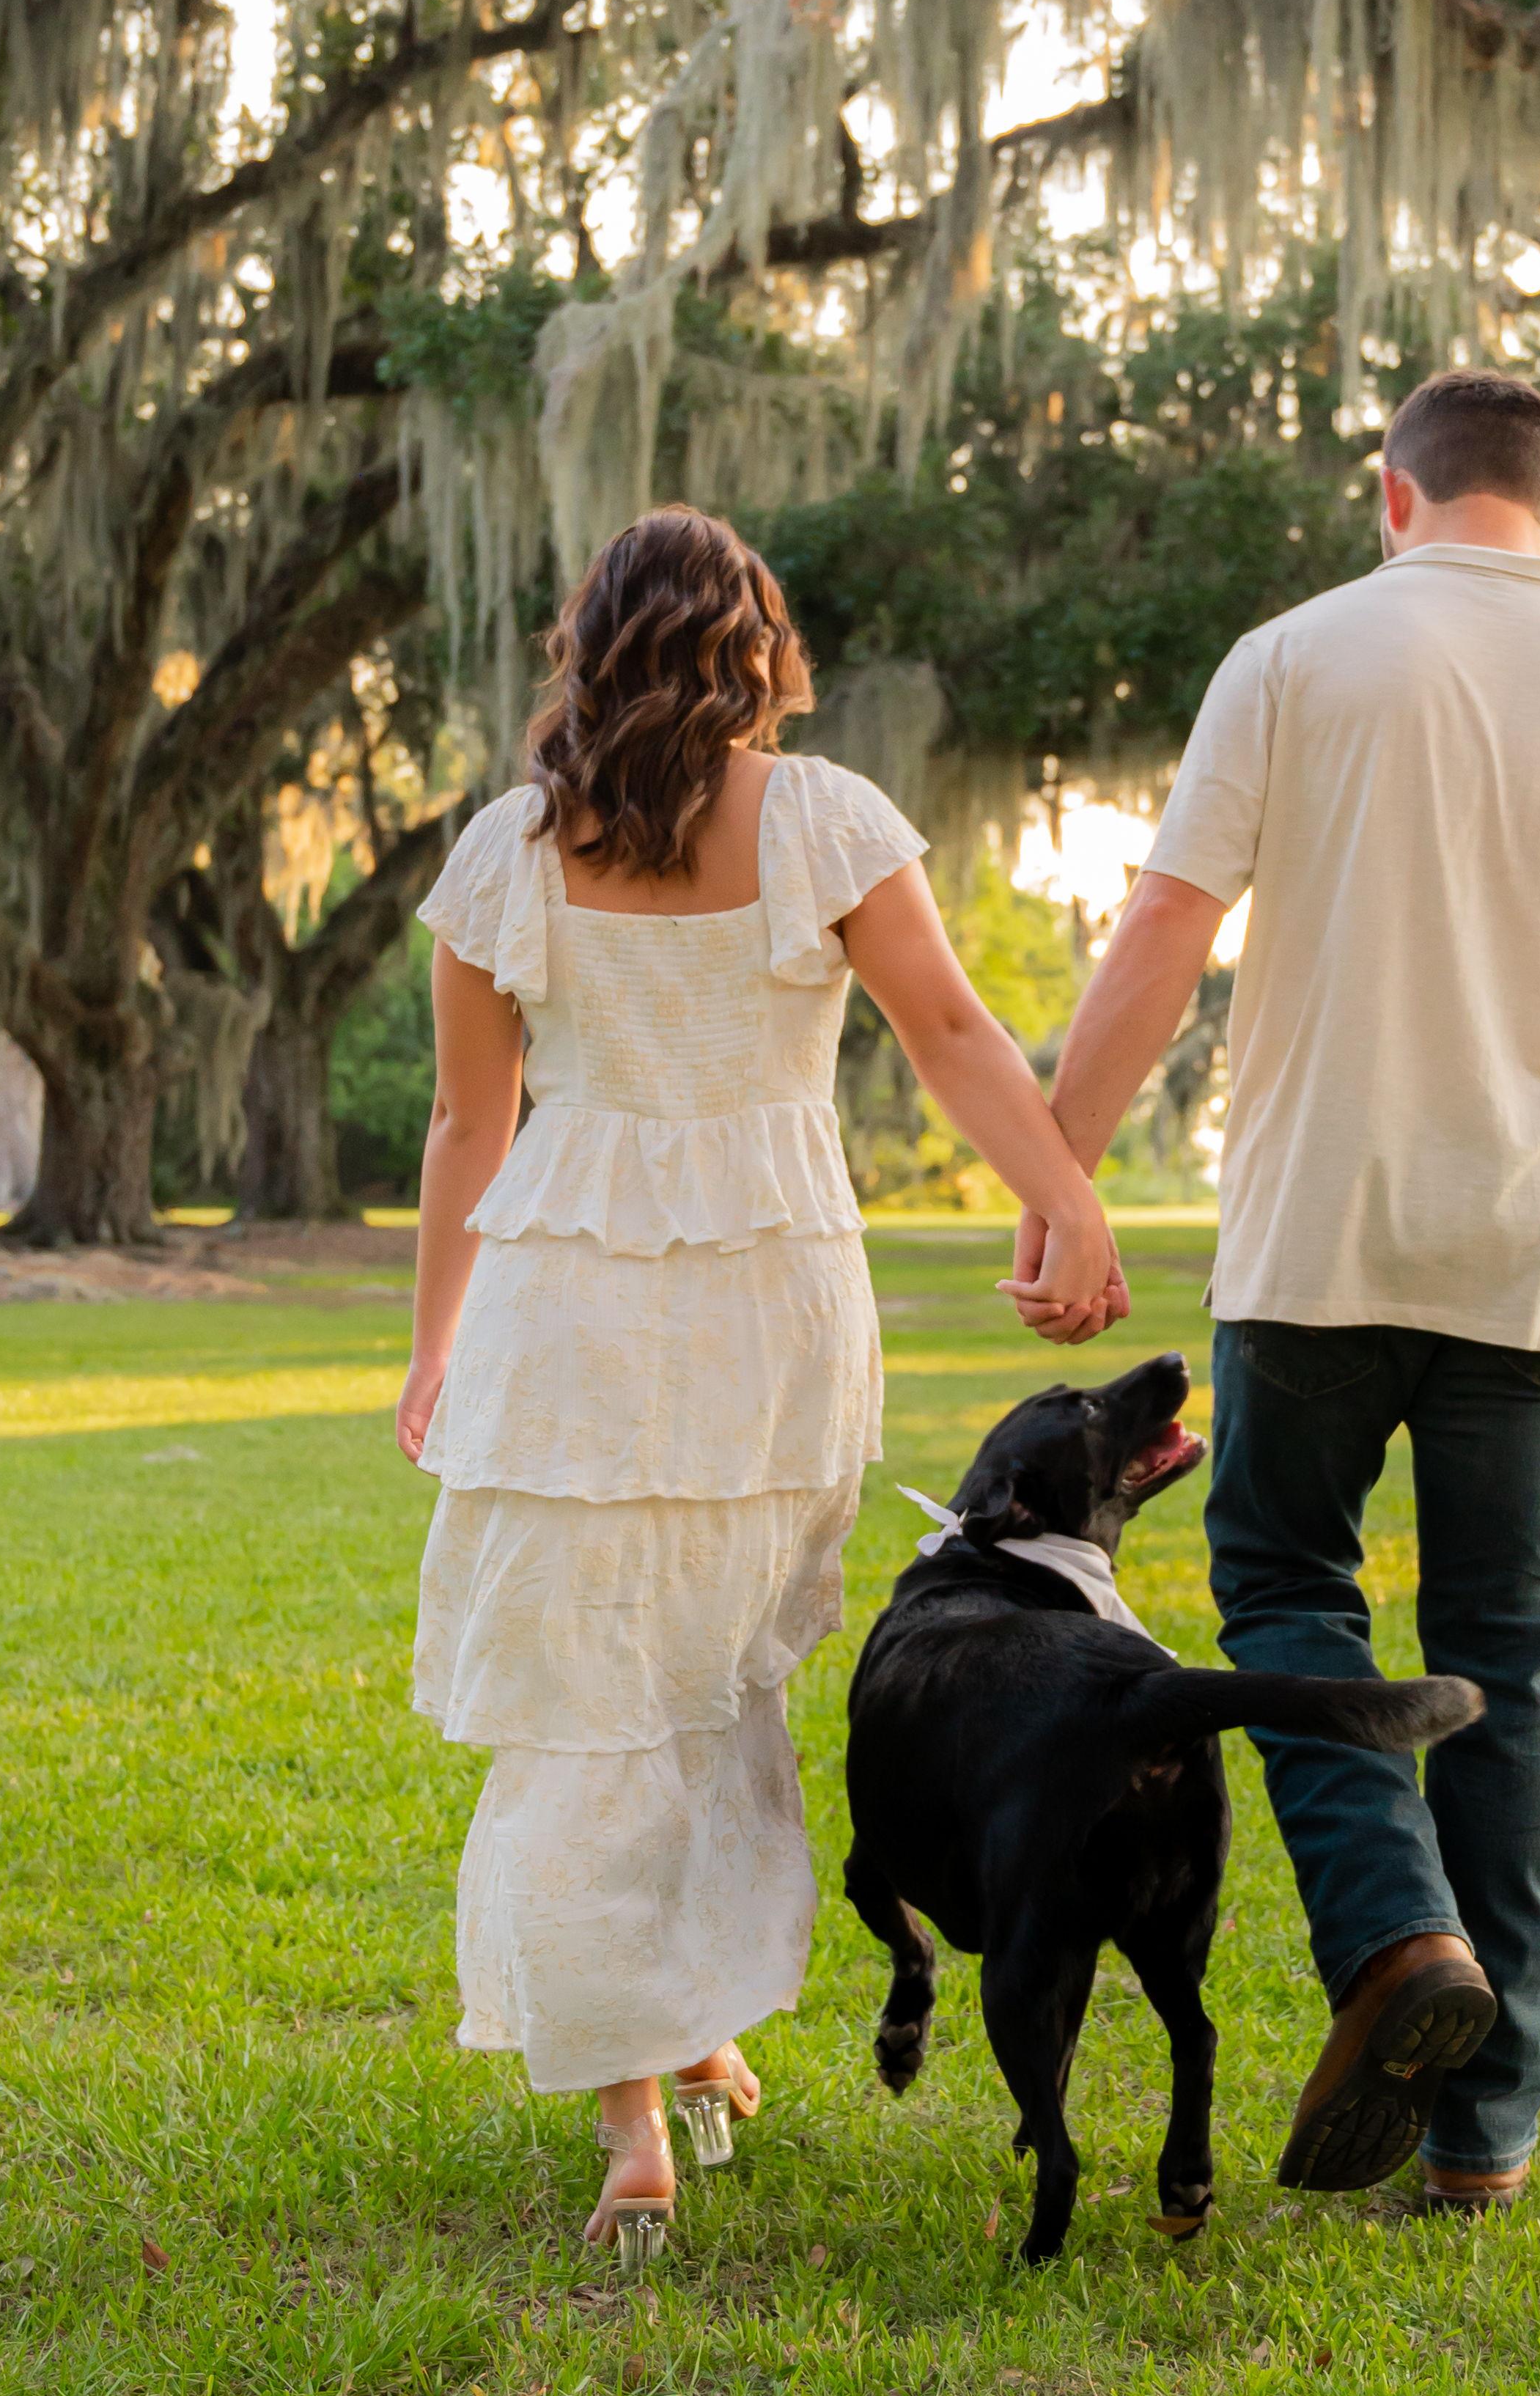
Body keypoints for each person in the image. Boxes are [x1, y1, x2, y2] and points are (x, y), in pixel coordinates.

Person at [1031, 369, 1540, 2211]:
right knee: (1504, 1671)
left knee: (1288, 1590)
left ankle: (1393, 1938)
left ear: (1393, 494)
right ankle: (1483, 2133)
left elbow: (1168, 925)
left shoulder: (1292, 658)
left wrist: (1061, 1170)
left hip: (1320, 1239)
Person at [397, 508, 1124, 2266]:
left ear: (588, 647)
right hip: (768, 1298)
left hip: (570, 1304)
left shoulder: (510, 851)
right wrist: (1066, 1194)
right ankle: (673, 2043)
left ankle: (644, 2103)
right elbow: (952, 1035)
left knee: (603, 1693)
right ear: (757, 651)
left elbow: (468, 1125)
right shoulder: (824, 821)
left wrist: (435, 1343)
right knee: (710, 1678)